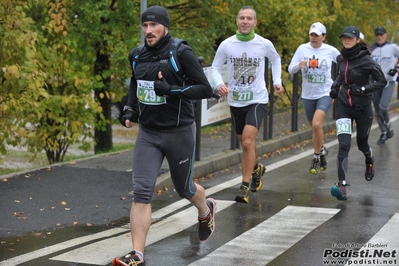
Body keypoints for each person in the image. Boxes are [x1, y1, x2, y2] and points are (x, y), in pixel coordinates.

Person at [112, 6, 217, 265]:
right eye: (145, 26)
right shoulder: (136, 55)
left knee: (184, 188)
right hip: (148, 134)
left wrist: (171, 90)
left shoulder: (181, 52)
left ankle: (206, 211)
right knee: (142, 191)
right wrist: (129, 108)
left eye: (154, 26)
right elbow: (136, 82)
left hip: (179, 131)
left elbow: (205, 89)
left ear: (165, 27)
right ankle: (137, 253)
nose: (148, 31)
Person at [211, 6, 284, 203]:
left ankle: (244, 187)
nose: (245, 21)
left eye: (249, 18)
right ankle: (257, 168)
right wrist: (219, 85)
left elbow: (276, 60)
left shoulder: (263, 44)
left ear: (255, 23)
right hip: (236, 101)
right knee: (246, 146)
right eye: (242, 18)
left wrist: (277, 80)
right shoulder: (227, 45)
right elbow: (215, 68)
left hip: (257, 99)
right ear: (237, 21)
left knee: (247, 142)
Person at [329, 26, 387, 201]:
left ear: (357, 40)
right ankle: (342, 184)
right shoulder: (341, 58)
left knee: (362, 143)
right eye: (344, 37)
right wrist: (334, 86)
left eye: (349, 37)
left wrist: (363, 88)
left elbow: (381, 81)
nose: (346, 40)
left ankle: (369, 160)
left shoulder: (366, 60)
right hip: (344, 106)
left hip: (363, 108)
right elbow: (342, 76)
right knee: (344, 145)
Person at [288, 22, 340, 174]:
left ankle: (316, 157)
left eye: (317, 35)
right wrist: (299, 65)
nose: (313, 37)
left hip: (325, 92)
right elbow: (291, 69)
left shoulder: (330, 50)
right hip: (308, 94)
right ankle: (322, 150)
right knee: (314, 126)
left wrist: (339, 84)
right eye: (312, 34)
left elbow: (345, 63)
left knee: (317, 125)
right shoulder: (302, 49)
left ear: (323, 37)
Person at [370, 26, 399, 145]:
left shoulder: (392, 48)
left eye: (381, 34)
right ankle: (384, 133)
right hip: (375, 82)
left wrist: (396, 69)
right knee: (377, 110)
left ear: (386, 35)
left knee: (383, 106)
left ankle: (388, 126)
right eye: (377, 34)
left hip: (388, 81)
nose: (379, 37)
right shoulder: (371, 48)